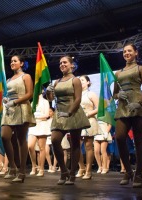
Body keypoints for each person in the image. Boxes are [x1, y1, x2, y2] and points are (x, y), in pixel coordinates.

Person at [46, 55, 90, 185]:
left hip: (73, 112)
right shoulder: (57, 81)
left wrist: (69, 112)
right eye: (60, 63)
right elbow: (51, 99)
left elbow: (78, 99)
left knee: (75, 144)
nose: (62, 64)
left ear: (72, 65)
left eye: (65, 62)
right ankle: (63, 171)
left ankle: (72, 174)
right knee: (55, 140)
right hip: (59, 113)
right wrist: (48, 92)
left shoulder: (75, 80)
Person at [113, 43, 142, 188]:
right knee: (120, 137)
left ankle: (139, 174)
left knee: (138, 140)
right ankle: (128, 171)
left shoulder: (141, 68)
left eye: (129, 51)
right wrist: (118, 94)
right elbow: (114, 94)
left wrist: (140, 103)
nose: (126, 53)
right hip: (123, 107)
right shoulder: (118, 73)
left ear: (136, 52)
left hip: (138, 107)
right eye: (124, 51)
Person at [1, 55, 36, 183]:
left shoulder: (26, 76)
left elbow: (29, 94)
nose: (12, 63)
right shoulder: (9, 79)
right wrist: (6, 99)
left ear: (21, 63)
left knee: (21, 140)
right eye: (11, 61)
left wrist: (15, 102)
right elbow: (8, 94)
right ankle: (13, 166)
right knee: (5, 136)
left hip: (21, 108)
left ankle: (22, 171)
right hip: (10, 110)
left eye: (15, 61)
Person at [76, 75, 99, 180]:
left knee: (88, 146)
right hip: (77, 121)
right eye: (79, 80)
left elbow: (99, 108)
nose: (80, 82)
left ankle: (89, 170)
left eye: (82, 80)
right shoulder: (76, 94)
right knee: (75, 146)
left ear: (88, 82)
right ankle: (81, 167)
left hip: (89, 121)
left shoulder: (91, 94)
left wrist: (89, 114)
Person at [28, 93, 50, 177]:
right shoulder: (32, 102)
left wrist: (35, 117)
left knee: (41, 148)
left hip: (42, 125)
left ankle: (41, 168)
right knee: (30, 146)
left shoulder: (45, 102)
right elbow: (29, 114)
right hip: (33, 126)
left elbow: (46, 115)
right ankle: (34, 166)